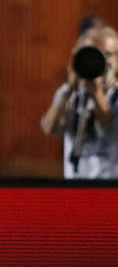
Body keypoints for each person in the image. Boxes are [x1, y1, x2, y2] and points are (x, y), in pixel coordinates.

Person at [41, 26, 118, 179]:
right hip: (76, 189)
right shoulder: (69, 94)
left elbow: (109, 128)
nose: (100, 61)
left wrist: (96, 92)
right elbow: (51, 128)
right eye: (93, 54)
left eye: (106, 54)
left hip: (111, 190)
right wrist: (69, 88)